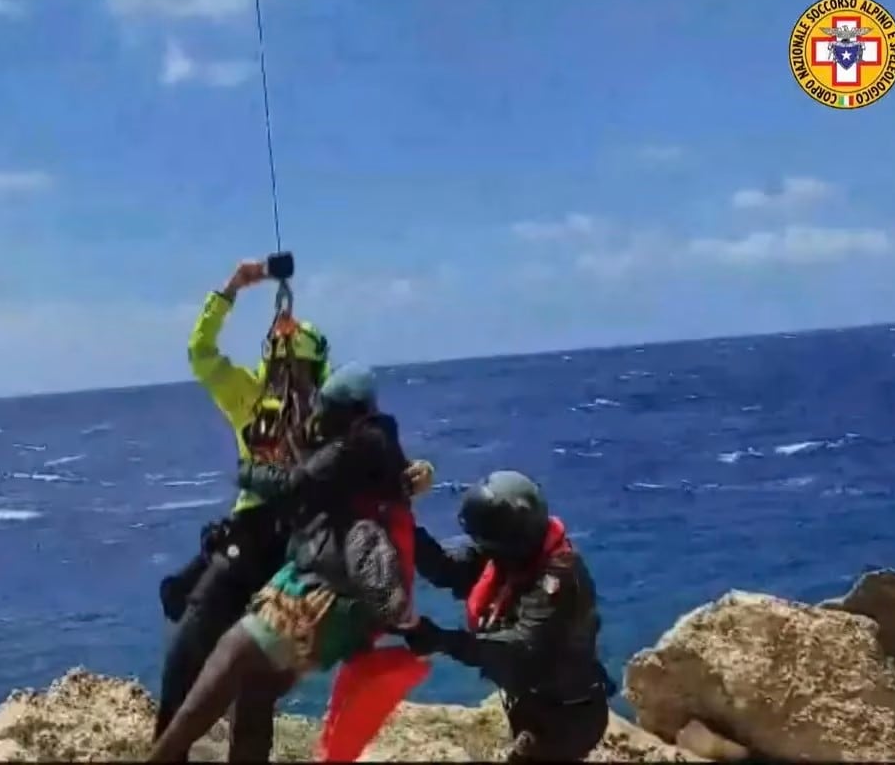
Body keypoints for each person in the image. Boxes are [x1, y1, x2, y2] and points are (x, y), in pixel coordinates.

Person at [149, 363, 432, 762]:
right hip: (336, 598)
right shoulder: (375, 447)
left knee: (230, 655)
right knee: (255, 691)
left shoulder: (358, 445)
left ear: (346, 410)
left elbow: (293, 488)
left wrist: (250, 471)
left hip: (324, 600)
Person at [152, 259, 335, 760]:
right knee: (188, 654)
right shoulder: (256, 398)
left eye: (295, 370)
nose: (286, 379)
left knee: (255, 686)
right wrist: (232, 287)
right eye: (281, 367)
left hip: (292, 553)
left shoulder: (325, 415)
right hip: (256, 543)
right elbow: (201, 352)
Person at [400, 471, 614, 763]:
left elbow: (521, 647)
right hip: (536, 703)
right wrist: (404, 530)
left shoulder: (559, 579)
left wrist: (444, 641)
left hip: (566, 716)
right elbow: (447, 569)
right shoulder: (514, 556)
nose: (481, 548)